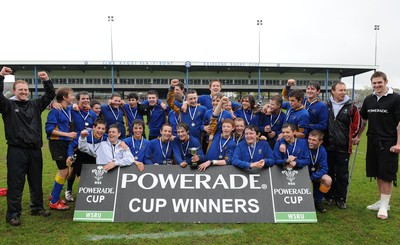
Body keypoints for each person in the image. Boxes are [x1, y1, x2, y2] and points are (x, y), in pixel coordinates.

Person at [0, 66, 55, 226]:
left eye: (26, 89)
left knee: (36, 180)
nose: (24, 92)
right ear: (14, 91)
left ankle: (37, 207)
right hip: (16, 150)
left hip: (35, 150)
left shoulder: (35, 105)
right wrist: (1, 76)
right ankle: (13, 214)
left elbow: (50, 95)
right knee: (15, 183)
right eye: (20, 89)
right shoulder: (7, 106)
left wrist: (46, 80)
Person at [353, 71, 400, 220]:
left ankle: (385, 207)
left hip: (389, 142)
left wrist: (399, 143)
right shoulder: (369, 99)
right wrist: (358, 136)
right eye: (374, 83)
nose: (377, 85)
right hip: (372, 141)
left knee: (386, 175)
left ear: (386, 81)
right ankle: (382, 201)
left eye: (379, 82)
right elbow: (364, 121)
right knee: (378, 173)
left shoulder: (396, 98)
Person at [324, 81, 360, 209]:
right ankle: (328, 196)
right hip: (327, 146)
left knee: (342, 174)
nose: (343, 92)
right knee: (328, 172)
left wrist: (348, 138)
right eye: (340, 90)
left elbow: (356, 125)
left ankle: (340, 198)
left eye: (344, 90)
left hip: (343, 147)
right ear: (333, 91)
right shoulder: (325, 105)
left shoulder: (351, 107)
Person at [46, 87, 76, 210]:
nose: (73, 97)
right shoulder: (55, 111)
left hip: (65, 143)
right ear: (64, 97)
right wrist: (67, 135)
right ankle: (53, 201)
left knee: (66, 171)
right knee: (64, 172)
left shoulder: (67, 108)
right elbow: (49, 130)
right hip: (57, 143)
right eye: (71, 95)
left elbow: (74, 107)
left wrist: (75, 106)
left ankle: (54, 195)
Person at [65, 91, 97, 202]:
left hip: (88, 144)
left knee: (90, 169)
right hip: (75, 143)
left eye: (87, 98)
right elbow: (64, 108)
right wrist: (72, 106)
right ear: (78, 100)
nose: (86, 100)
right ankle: (68, 190)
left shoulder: (92, 114)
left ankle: (90, 191)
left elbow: (95, 128)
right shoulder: (73, 110)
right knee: (71, 170)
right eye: (83, 98)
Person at [198, 98, 236, 171]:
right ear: (221, 127)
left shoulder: (232, 143)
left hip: (221, 170)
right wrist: (220, 103)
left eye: (228, 127)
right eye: (224, 126)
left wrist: (212, 162)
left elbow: (228, 161)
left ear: (233, 128)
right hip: (206, 168)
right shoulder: (215, 134)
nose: (226, 129)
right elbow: (214, 117)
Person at [308, 130, 332, 213]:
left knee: (328, 180)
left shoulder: (322, 151)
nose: (310, 142)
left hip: (314, 174)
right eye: (309, 139)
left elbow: (324, 168)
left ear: (320, 141)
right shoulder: (303, 145)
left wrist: (312, 177)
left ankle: (318, 201)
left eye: (314, 140)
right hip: (301, 174)